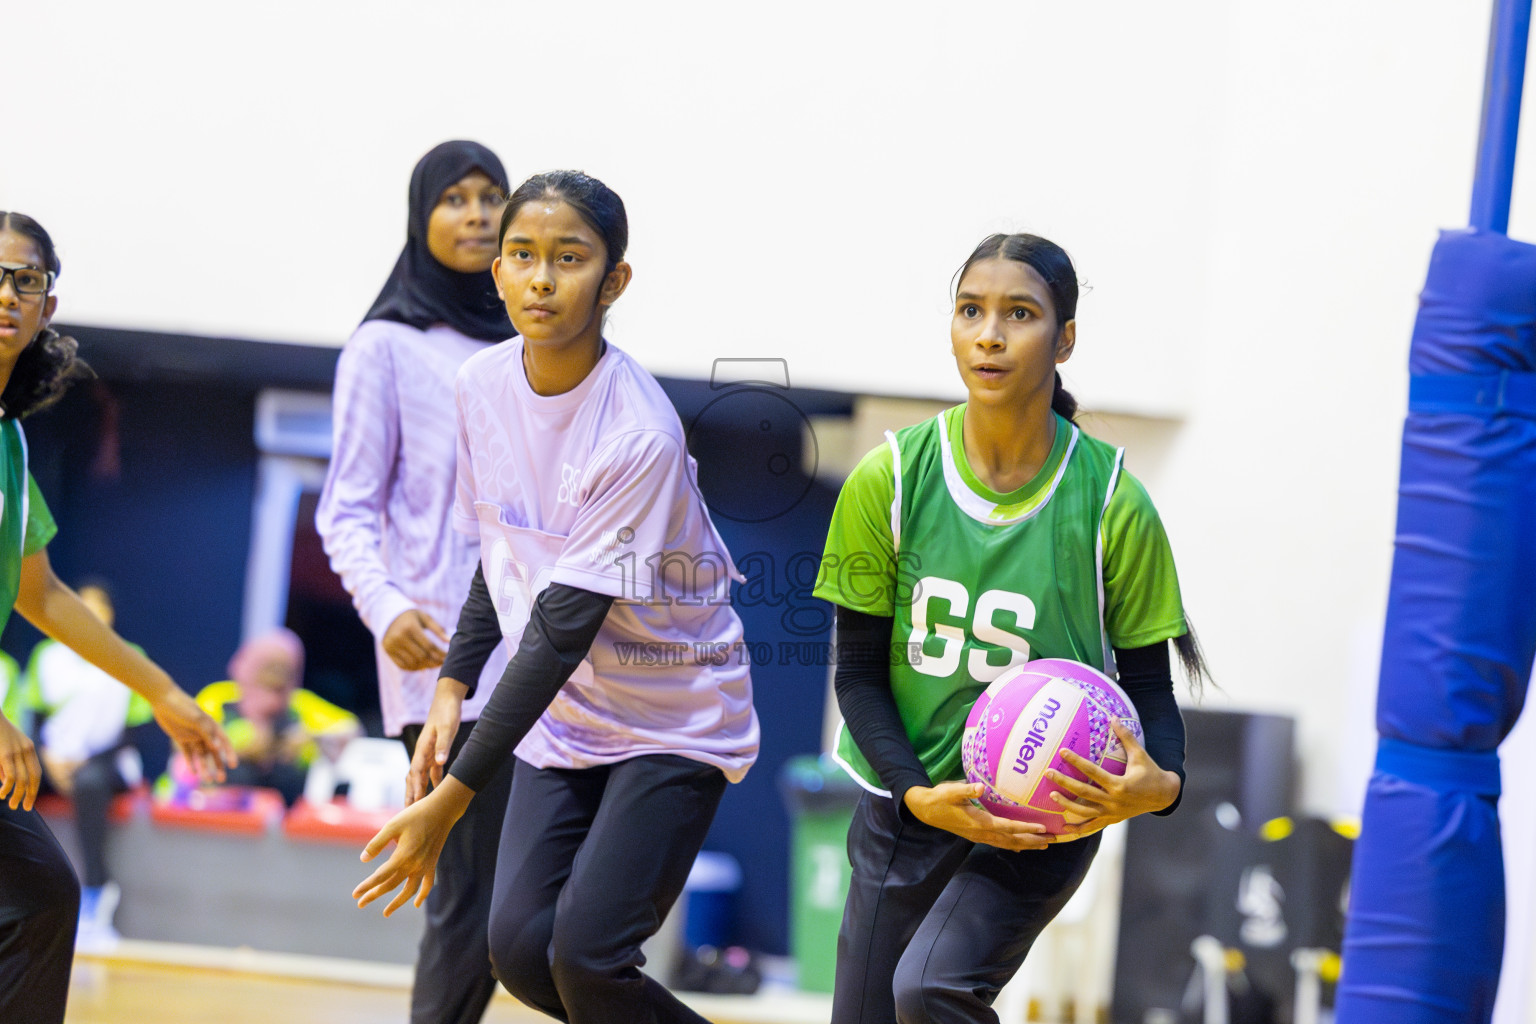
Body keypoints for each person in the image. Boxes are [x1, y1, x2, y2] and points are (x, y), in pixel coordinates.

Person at [353, 170, 760, 1024]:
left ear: (614, 281)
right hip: (569, 718)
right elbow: (499, 549)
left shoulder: (639, 433)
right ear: (497, 271)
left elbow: (561, 629)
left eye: (569, 259)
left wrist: (448, 803)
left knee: (587, 954)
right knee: (518, 951)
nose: (541, 279)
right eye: (523, 255)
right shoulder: (480, 385)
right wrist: (451, 687)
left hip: (672, 715)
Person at [813, 232, 1206, 1024]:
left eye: (1019, 314)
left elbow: (1151, 690)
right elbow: (856, 673)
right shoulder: (888, 479)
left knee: (932, 989)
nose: (989, 335)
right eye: (971, 311)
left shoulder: (1113, 502)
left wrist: (1162, 785)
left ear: (1064, 339)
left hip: (1038, 821)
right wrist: (917, 794)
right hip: (909, 802)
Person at [0, 211, 234, 1023]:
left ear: (47, 306)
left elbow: (41, 594)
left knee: (39, 897)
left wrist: (163, 693)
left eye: (24, 279)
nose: (6, 294)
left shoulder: (10, 442)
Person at [316, 139, 517, 1024]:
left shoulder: (535, 344)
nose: (477, 215)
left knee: (520, 903)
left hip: (546, 654)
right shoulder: (384, 347)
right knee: (470, 895)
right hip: (441, 656)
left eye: (491, 197)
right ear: (420, 216)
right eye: (454, 198)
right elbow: (346, 508)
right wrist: (385, 604)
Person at [23, 579, 152, 949]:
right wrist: (49, 759)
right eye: (83, 603)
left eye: (99, 605)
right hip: (53, 757)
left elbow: (132, 732)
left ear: (111, 614)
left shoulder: (130, 657)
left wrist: (83, 761)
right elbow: (35, 719)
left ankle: (96, 894)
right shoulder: (47, 656)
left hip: (108, 761)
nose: (91, 611)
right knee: (13, 778)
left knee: (90, 785)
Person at [165, 628, 359, 808]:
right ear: (239, 666)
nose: (275, 677)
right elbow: (186, 743)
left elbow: (350, 729)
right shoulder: (219, 698)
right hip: (220, 811)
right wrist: (243, 745)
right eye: (267, 668)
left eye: (284, 671)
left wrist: (308, 738)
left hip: (283, 817)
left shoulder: (299, 706)